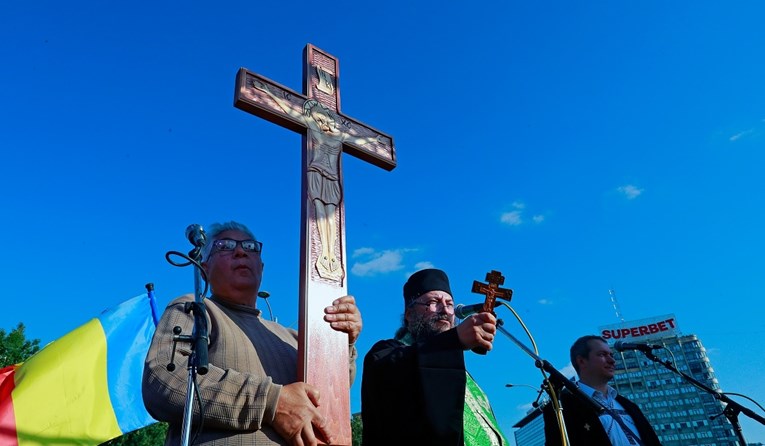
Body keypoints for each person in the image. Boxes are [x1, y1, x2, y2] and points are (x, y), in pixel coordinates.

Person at [142, 221, 362, 446]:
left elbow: (326, 397)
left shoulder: (294, 338)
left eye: (250, 247)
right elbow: (162, 379)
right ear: (204, 268)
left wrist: (343, 342)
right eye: (225, 246)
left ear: (261, 267)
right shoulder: (194, 308)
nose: (240, 252)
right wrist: (271, 402)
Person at [361, 268, 508, 445]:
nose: (445, 310)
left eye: (450, 304)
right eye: (433, 302)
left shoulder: (467, 378)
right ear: (409, 314)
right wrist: (454, 340)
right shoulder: (386, 354)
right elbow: (394, 372)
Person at [543, 335, 662, 446]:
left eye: (611, 355)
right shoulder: (560, 406)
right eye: (602, 354)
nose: (612, 360)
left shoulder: (630, 406)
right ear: (581, 361)